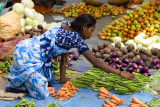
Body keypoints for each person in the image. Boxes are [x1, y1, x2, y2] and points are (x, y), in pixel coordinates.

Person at [6, 14, 135, 99]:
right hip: (28, 55)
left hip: (27, 48)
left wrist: (62, 78)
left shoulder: (64, 24)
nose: (92, 34)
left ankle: (25, 78)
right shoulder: (76, 39)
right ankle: (19, 83)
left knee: (49, 82)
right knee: (42, 94)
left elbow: (64, 53)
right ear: (84, 27)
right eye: (91, 30)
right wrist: (120, 73)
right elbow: (96, 62)